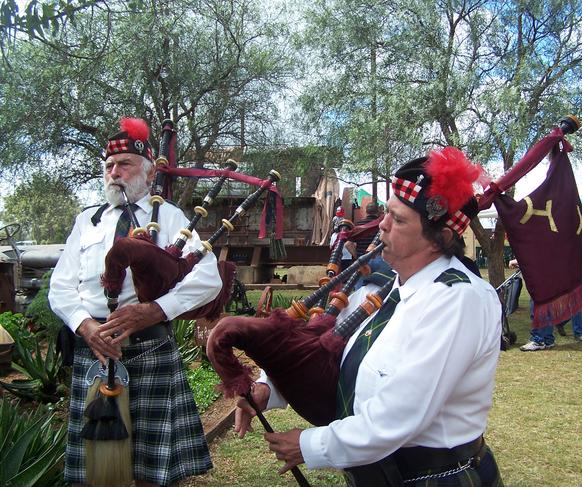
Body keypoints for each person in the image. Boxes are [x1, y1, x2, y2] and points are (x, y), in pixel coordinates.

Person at [236, 148, 504, 486]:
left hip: (436, 478)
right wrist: (267, 386)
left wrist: (309, 445)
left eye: (400, 220)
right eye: (387, 213)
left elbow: (399, 414)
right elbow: (322, 344)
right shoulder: (390, 283)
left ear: (441, 239)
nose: (383, 227)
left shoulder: (458, 300)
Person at [49, 117, 221, 487]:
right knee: (93, 471)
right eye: (109, 166)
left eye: (124, 164)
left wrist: (155, 311)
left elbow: (208, 279)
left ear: (145, 171)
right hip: (93, 351)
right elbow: (60, 287)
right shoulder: (87, 222)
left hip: (149, 348)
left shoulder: (173, 218)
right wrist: (85, 325)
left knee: (150, 474)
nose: (114, 173)